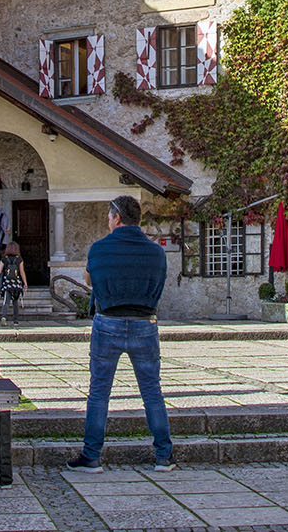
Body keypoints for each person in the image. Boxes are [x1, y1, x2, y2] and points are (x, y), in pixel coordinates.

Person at [68, 194, 174, 473]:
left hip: (108, 322)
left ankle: (92, 456)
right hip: (144, 323)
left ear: (116, 217)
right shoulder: (156, 252)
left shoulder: (99, 249)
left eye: (108, 216)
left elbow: (90, 281)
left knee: (99, 393)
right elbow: (160, 285)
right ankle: (164, 456)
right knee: (152, 391)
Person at [0, 241, 27, 323]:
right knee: (15, 302)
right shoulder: (19, 259)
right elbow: (22, 272)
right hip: (16, 283)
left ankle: (4, 317)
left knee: (6, 301)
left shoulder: (4, 259)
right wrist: (25, 283)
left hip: (7, 283)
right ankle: (15, 320)